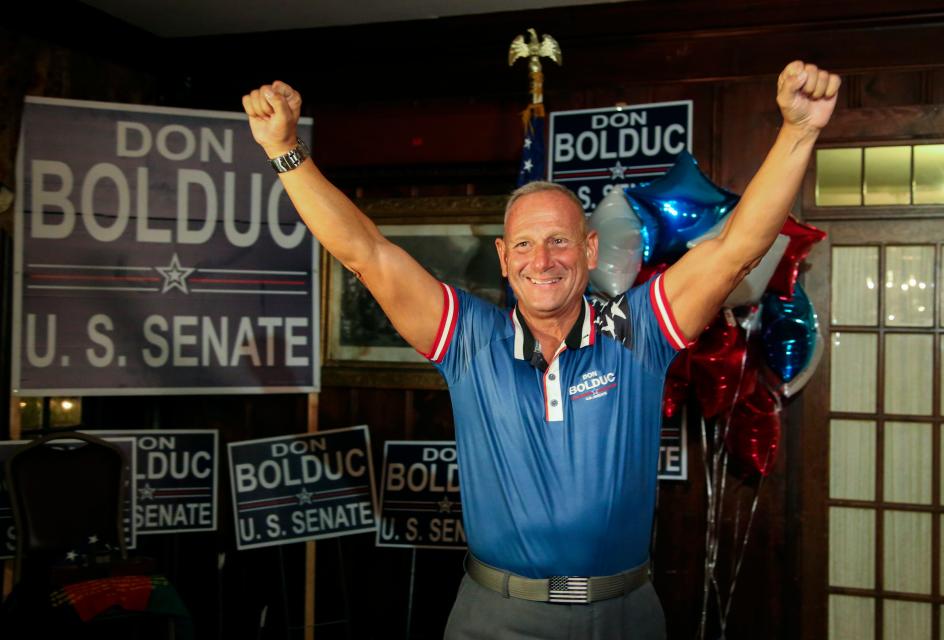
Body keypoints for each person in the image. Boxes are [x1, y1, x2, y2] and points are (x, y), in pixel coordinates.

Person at [242, 60, 840, 639]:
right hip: (498, 617)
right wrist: (284, 152)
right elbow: (364, 253)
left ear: (588, 250)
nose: (542, 260)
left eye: (560, 241)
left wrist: (800, 130)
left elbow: (736, 249)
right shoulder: (471, 339)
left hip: (625, 615)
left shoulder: (636, 328)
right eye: (524, 244)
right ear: (504, 259)